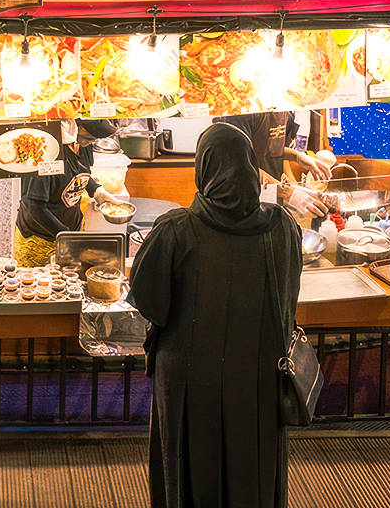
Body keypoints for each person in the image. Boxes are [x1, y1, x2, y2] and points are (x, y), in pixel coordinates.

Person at [127, 122, 301, 508]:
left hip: (190, 381)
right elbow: (288, 295)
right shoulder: (282, 227)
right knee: (253, 465)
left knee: (189, 466)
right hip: (258, 377)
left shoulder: (175, 231)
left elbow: (147, 300)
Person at [12, 118, 125, 267]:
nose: (92, 140)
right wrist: (68, 237)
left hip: (72, 231)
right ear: (75, 126)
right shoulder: (47, 152)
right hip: (39, 241)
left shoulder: (82, 144)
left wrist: (97, 191)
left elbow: (81, 172)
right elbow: (34, 206)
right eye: (90, 134)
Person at [216, 111, 332, 217]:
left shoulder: (282, 106)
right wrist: (289, 193)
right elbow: (239, 164)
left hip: (270, 199)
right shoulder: (238, 111)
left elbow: (277, 151)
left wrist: (297, 160)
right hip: (239, 202)